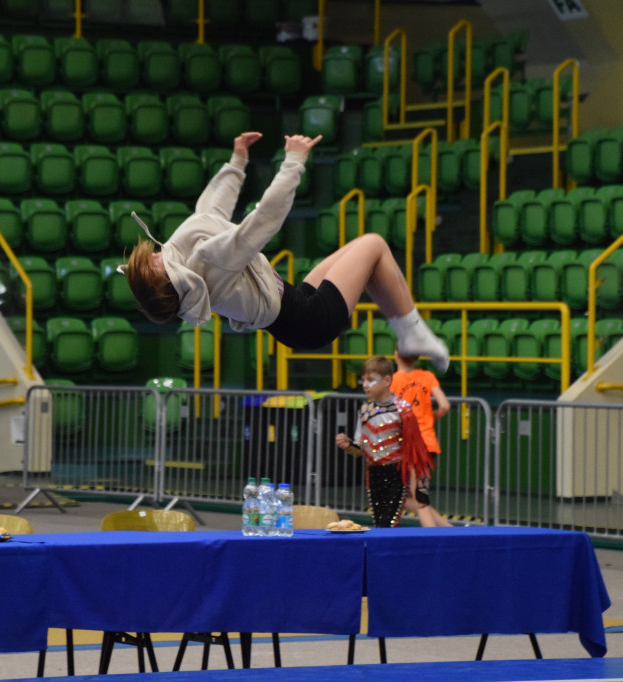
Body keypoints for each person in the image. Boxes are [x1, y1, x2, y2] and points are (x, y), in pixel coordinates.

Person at [121, 131, 448, 372]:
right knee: (374, 244)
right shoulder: (206, 266)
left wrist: (237, 162)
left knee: (364, 255)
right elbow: (262, 221)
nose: (152, 255)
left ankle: (408, 334)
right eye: (151, 265)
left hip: (296, 307)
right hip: (308, 320)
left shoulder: (187, 261)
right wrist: (293, 162)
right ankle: (411, 335)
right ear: (169, 279)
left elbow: (208, 214)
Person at [335, 355, 431, 528]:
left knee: (388, 522)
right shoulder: (365, 411)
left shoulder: (402, 410)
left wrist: (421, 488)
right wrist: (347, 445)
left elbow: (417, 451)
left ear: (387, 380)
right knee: (380, 522)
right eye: (363, 380)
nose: (365, 385)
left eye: (370, 380)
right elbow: (360, 449)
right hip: (373, 474)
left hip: (396, 474)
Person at [391, 349, 453, 527]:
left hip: (411, 446)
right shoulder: (427, 376)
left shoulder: (394, 381)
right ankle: (450, 531)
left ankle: (437, 539)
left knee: (419, 499)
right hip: (429, 443)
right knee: (410, 497)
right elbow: (445, 405)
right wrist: (431, 416)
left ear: (396, 354)